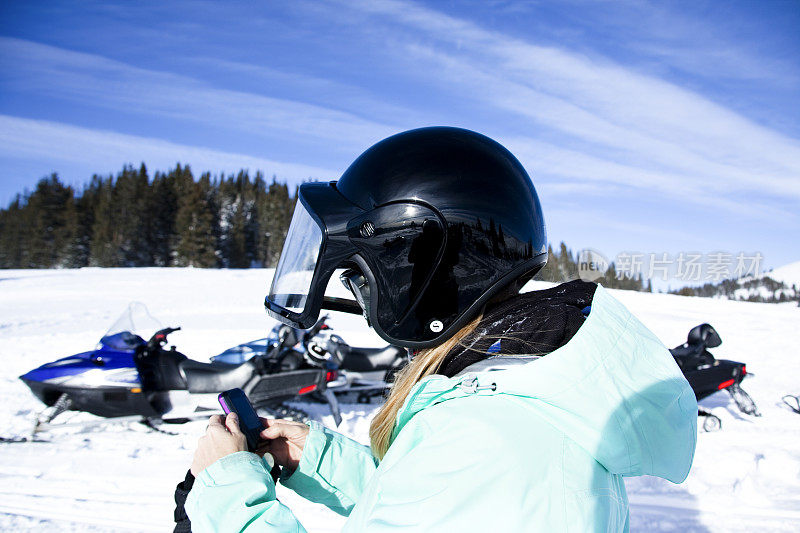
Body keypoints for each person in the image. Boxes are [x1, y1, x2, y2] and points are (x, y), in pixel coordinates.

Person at [184, 127, 697, 532]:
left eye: (359, 277)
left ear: (418, 272)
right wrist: (317, 460)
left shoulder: (488, 438)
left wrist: (227, 492)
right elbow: (436, 507)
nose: (359, 300)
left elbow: (463, 487)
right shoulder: (513, 392)